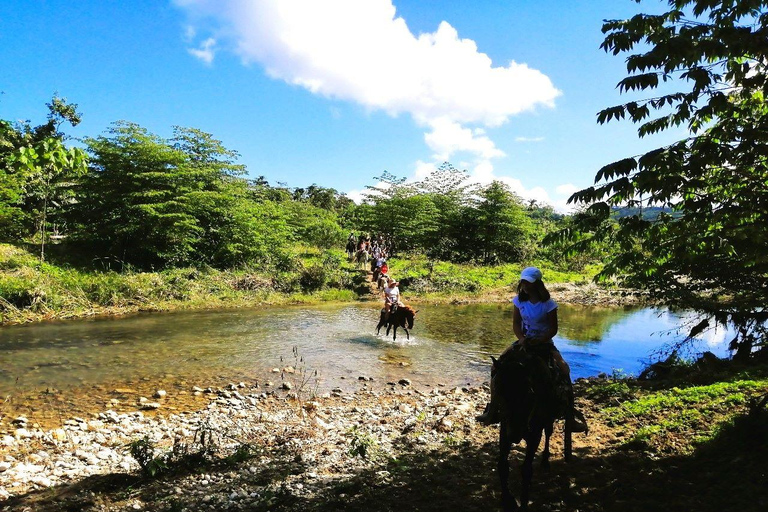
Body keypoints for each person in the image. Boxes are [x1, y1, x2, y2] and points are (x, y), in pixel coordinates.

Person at [476, 267, 588, 432]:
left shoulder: (548, 304)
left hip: (544, 343)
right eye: (523, 281)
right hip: (524, 341)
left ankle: (570, 418)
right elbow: (515, 323)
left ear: (537, 283)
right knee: (496, 367)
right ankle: (493, 410)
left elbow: (553, 329)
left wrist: (540, 340)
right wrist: (522, 339)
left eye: (529, 282)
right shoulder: (518, 301)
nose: (525, 285)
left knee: (564, 368)